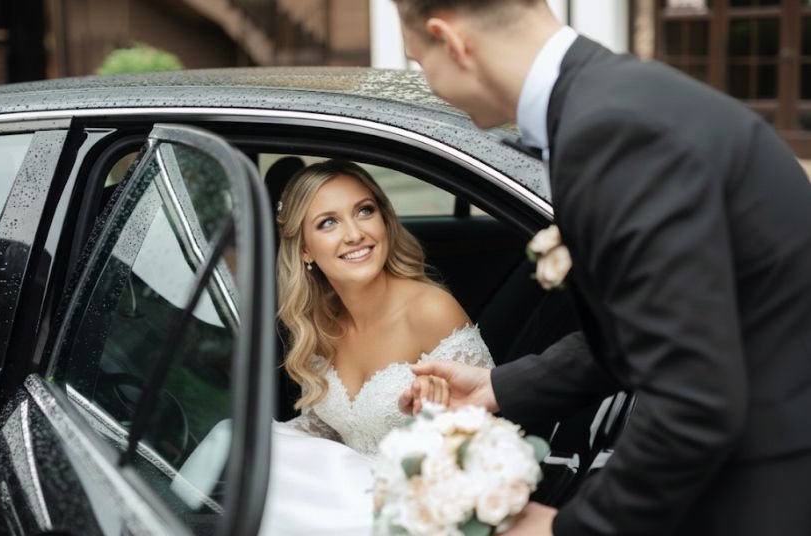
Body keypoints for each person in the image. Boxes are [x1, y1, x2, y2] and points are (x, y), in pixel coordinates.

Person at [392, 1, 811, 535]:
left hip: (759, 490)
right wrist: (497, 388)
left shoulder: (612, 133)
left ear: (451, 42)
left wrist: (568, 528)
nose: (428, 82)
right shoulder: (620, 97)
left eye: (419, 61)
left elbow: (691, 401)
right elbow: (654, 327)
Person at [260, 159, 495, 534]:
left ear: (384, 219)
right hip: (343, 509)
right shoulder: (319, 325)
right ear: (305, 250)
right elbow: (327, 428)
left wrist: (435, 421)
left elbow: (489, 445)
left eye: (364, 211)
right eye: (328, 222)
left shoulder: (430, 310)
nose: (354, 234)